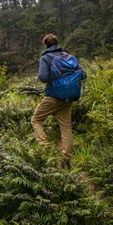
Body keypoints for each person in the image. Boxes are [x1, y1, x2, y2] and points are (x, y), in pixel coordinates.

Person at [31, 33, 80, 169]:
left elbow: (43, 77)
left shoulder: (46, 58)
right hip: (68, 97)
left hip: (53, 96)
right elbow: (83, 74)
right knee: (66, 128)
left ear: (46, 44)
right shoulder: (68, 57)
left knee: (36, 120)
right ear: (57, 43)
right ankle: (66, 160)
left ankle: (45, 149)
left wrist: (56, 77)